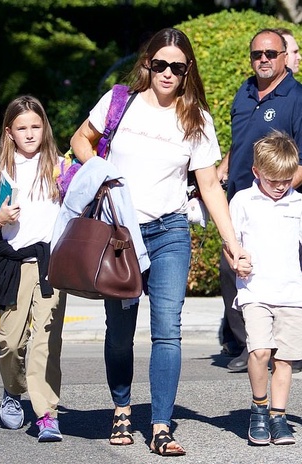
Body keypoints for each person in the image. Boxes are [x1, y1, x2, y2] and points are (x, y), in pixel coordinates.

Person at [68, 27, 250, 456]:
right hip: (121, 235)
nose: (168, 73)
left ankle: (162, 425)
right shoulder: (119, 102)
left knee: (168, 330)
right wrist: (103, 177)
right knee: (120, 330)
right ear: (147, 64)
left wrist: (232, 242)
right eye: (161, 64)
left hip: (170, 232)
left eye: (178, 67)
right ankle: (121, 408)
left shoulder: (197, 119)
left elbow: (209, 186)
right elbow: (80, 140)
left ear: (187, 72)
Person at [217, 28, 302, 372]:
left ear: (285, 57)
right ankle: (248, 344)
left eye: (270, 53)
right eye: (257, 54)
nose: (263, 59)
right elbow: (240, 140)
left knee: (281, 272)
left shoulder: (296, 97)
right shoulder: (245, 90)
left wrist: (279, 193)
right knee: (233, 268)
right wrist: (223, 165)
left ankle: (287, 348)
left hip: (279, 203)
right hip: (239, 198)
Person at [0, 95, 67, 442]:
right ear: (9, 132)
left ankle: (46, 414)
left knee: (44, 340)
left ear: (44, 128)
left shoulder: (59, 165)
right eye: (22, 128)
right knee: (9, 341)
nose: (30, 133)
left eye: (36, 126)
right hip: (14, 264)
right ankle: (12, 389)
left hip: (51, 264)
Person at [226, 130, 302, 445]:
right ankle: (259, 409)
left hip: (292, 293)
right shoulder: (243, 201)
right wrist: (235, 261)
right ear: (257, 173)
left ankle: (278, 416)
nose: (281, 186)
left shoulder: (298, 203)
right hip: (255, 291)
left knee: (284, 359)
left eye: (286, 180)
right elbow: (230, 244)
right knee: (259, 351)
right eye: (274, 180)